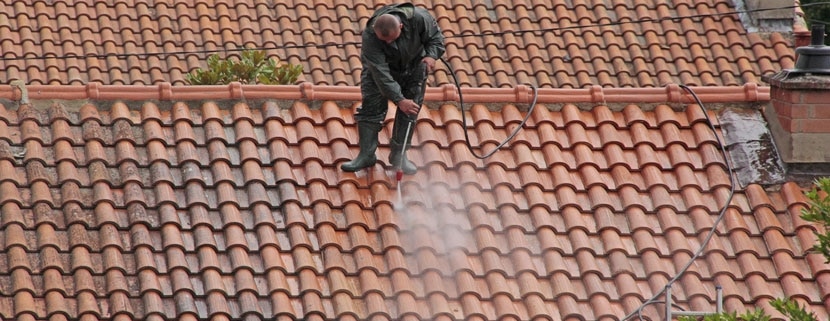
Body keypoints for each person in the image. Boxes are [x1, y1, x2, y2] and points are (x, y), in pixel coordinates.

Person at [340, 3, 446, 175]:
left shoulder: (420, 19)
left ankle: (399, 155)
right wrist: (398, 99)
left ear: (401, 26)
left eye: (392, 39)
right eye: (384, 40)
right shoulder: (370, 35)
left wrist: (431, 56)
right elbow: (381, 73)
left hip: (414, 70)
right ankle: (366, 155)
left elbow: (436, 39)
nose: (388, 43)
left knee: (409, 110)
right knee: (371, 109)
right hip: (378, 74)